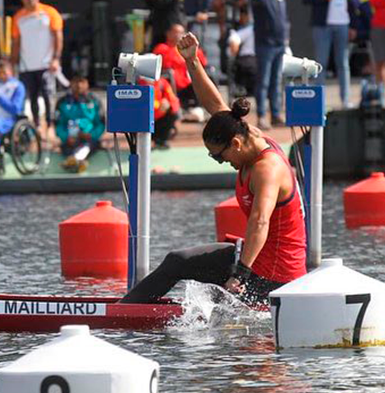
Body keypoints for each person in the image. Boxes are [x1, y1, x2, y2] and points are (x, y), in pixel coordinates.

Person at [120, 32, 306, 305]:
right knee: (178, 261)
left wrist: (240, 274)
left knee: (190, 279)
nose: (223, 162)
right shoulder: (244, 134)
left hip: (276, 277)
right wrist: (192, 61)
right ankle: (130, 309)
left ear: (235, 144)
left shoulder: (267, 169)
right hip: (258, 260)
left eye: (220, 157)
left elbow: (260, 221)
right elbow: (216, 106)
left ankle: (124, 314)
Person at [302, 0, 359, 109]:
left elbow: (353, 0)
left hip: (343, 23)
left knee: (343, 63)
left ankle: (345, 99)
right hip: (322, 25)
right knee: (321, 63)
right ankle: (318, 101)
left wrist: (354, 25)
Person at [11, 0, 64, 131]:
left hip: (46, 64)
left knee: (48, 95)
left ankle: (50, 125)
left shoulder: (50, 12)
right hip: (27, 65)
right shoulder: (18, 17)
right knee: (32, 97)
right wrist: (13, 62)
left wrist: (56, 58)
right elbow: (16, 42)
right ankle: (37, 126)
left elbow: (58, 37)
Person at [251, 0, 288, 130]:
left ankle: (275, 113)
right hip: (265, 44)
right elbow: (262, 0)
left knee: (276, 80)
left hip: (279, 43)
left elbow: (282, 18)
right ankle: (261, 115)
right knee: (264, 81)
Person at [153, 23, 207, 121]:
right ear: (168, 34)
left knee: (206, 79)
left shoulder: (189, 48)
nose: (179, 35)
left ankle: (200, 110)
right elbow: (164, 63)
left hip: (189, 83)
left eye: (181, 33)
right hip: (173, 85)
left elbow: (203, 61)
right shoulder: (162, 48)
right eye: (176, 32)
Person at [55, 76, 104, 173]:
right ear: (71, 83)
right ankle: (78, 161)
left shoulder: (94, 101)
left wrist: (91, 135)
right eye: (76, 82)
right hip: (70, 140)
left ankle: (73, 159)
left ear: (87, 84)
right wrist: (66, 137)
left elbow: (101, 124)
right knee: (65, 147)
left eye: (82, 82)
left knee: (88, 146)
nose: (79, 85)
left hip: (89, 139)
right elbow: (58, 125)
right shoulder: (63, 102)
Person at [227, 5, 256, 98]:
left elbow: (234, 40)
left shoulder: (252, 28)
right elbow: (234, 40)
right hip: (250, 62)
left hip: (253, 61)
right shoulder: (247, 28)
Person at [143, 76, 180, 149]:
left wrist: (169, 106)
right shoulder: (138, 84)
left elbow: (173, 100)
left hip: (159, 118)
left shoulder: (162, 83)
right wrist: (159, 107)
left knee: (173, 114)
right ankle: (141, 142)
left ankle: (161, 140)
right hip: (144, 119)